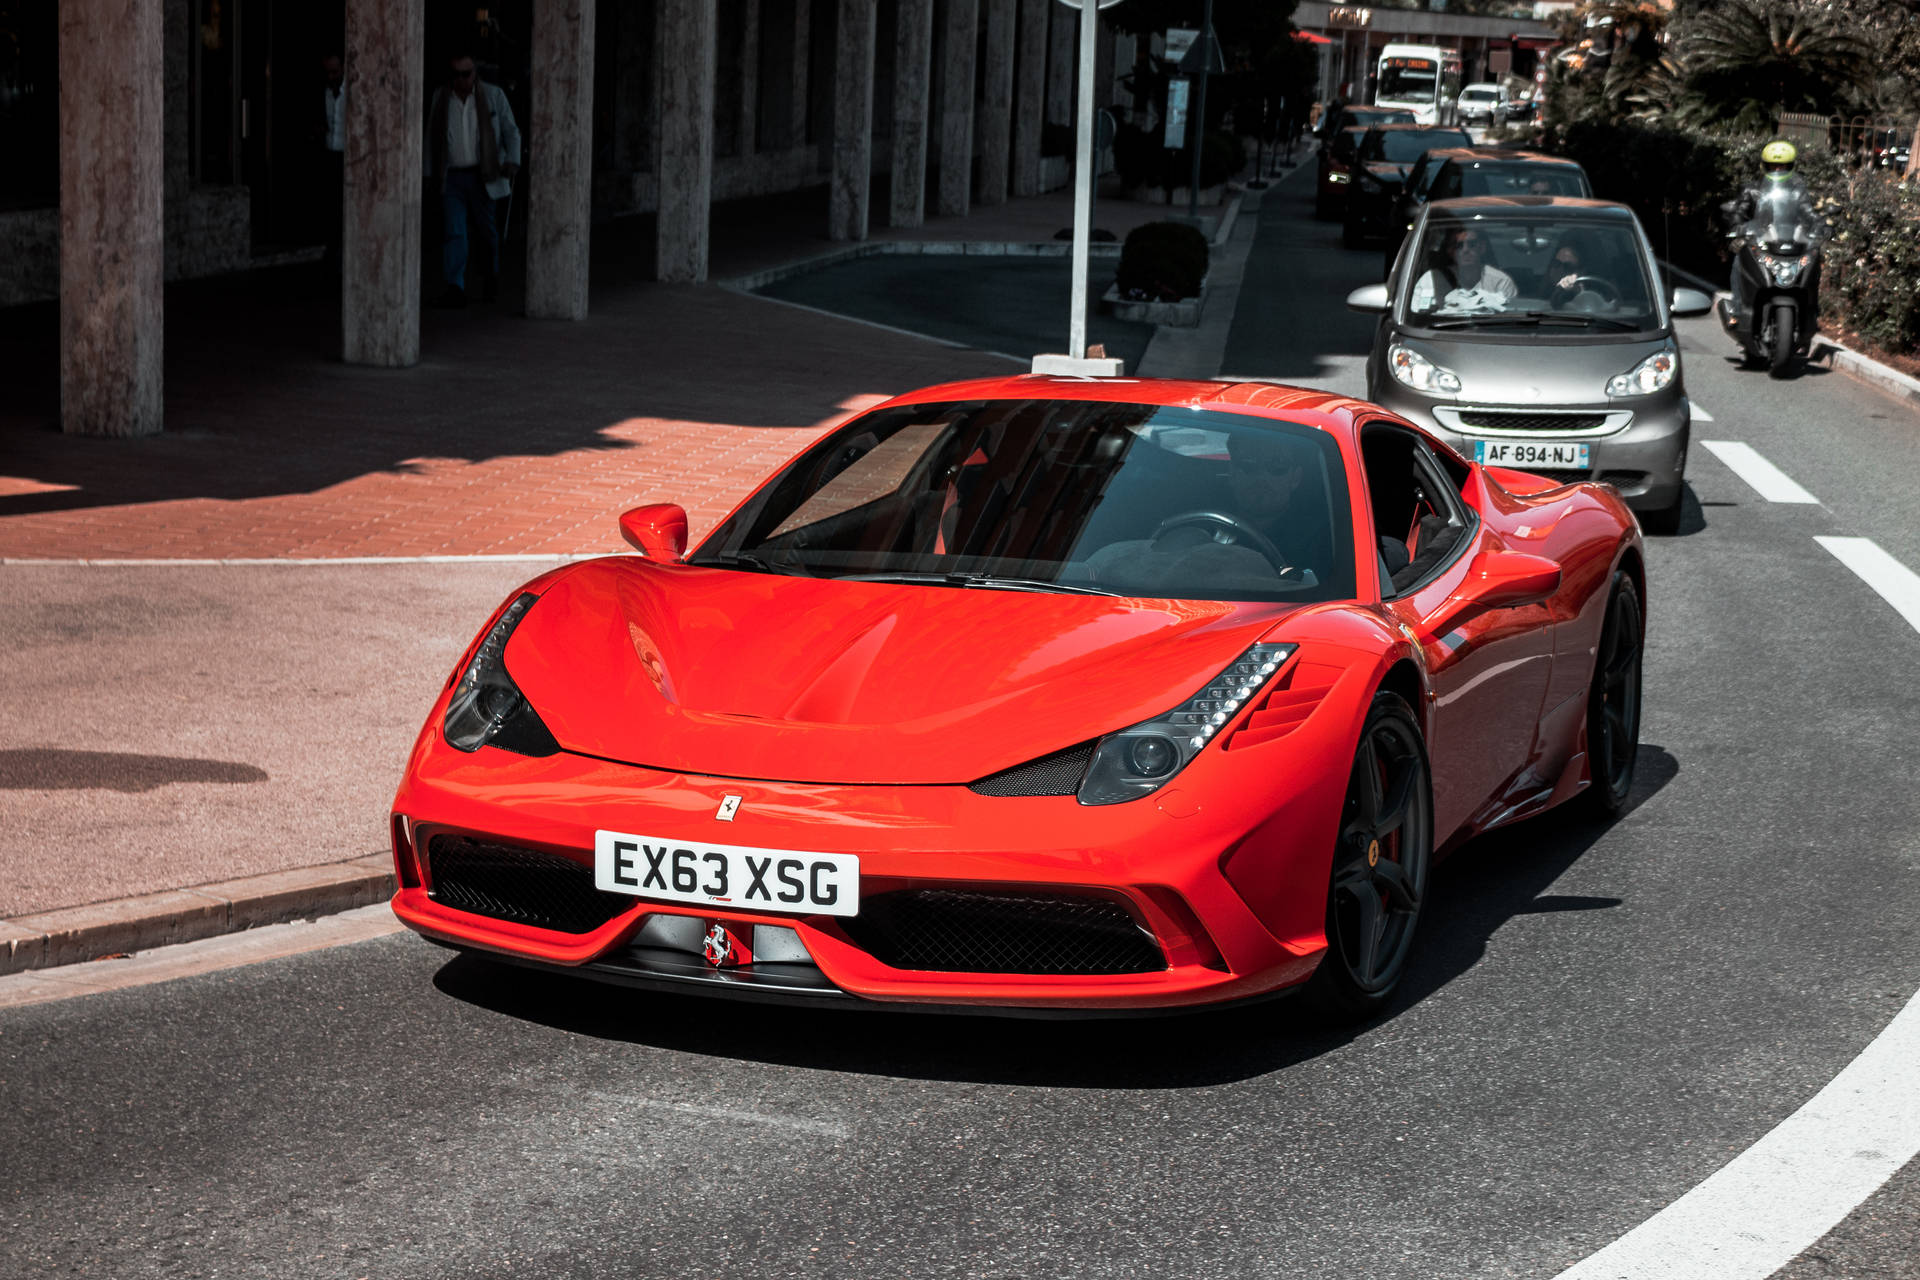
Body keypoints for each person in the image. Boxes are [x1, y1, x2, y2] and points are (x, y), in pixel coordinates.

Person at [426, 51, 521, 307]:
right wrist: (428, 171)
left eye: (465, 74)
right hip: (453, 174)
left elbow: (511, 130)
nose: (461, 79)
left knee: (486, 230)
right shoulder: (441, 97)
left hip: (484, 173)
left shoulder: (493, 95)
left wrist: (512, 160)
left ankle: (490, 276)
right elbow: (431, 136)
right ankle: (455, 285)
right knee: (454, 231)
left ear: (474, 73)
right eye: (455, 74)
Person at [1721, 140, 1826, 324]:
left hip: (1790, 240)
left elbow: (1808, 212)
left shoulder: (1798, 189)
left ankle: (1812, 311)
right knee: (1739, 261)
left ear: (1791, 166)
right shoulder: (1752, 188)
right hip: (1760, 240)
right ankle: (1738, 310)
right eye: (1773, 166)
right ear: (1765, 166)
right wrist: (1738, 226)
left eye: (1783, 166)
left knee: (1814, 262)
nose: (1778, 170)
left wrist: (1820, 224)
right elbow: (1739, 211)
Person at [1410, 226, 1517, 314]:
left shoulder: (1501, 282)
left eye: (1472, 244)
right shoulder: (1430, 280)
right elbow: (1416, 317)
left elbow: (1511, 317)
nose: (1466, 250)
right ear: (1451, 251)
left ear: (1482, 248)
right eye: (1459, 246)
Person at [318, 53, 346, 272]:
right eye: (328, 72)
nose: (331, 76)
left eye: (335, 71)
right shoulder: (324, 92)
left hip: (347, 156)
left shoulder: (350, 92)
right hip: (329, 154)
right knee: (330, 205)